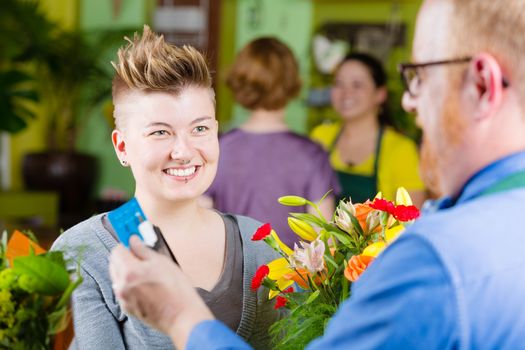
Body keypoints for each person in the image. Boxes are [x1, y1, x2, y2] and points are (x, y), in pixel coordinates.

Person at [109, 0, 525, 348]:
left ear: (484, 86)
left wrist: (180, 314)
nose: (412, 104)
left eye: (420, 78)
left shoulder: (435, 260)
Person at [51, 26, 280, 349]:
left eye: (199, 128)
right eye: (160, 133)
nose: (184, 151)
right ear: (122, 147)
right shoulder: (84, 251)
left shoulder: (261, 245)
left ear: (216, 132)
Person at [202, 37, 339, 248]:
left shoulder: (219, 149)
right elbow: (325, 240)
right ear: (292, 82)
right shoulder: (312, 154)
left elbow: (202, 229)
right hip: (293, 280)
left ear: (241, 82)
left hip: (233, 277)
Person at [311, 52, 426, 206]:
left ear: (380, 94)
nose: (346, 93)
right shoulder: (320, 137)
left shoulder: (401, 150)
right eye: (339, 83)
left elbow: (411, 220)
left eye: (357, 85)